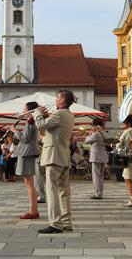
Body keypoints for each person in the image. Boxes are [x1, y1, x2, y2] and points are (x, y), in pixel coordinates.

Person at [32, 90, 75, 234]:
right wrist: (45, 116)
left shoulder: (59, 114)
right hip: (63, 156)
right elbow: (50, 130)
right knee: (64, 191)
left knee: (52, 191)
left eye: (57, 98)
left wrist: (37, 113)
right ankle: (66, 222)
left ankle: (55, 223)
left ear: (63, 100)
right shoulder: (68, 115)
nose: (56, 100)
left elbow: (42, 126)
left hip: (53, 157)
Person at [11, 101, 40, 219]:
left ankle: (33, 211)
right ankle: (33, 209)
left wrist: (14, 131)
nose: (23, 111)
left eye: (24, 109)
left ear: (29, 110)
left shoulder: (30, 122)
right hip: (27, 152)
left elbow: (25, 138)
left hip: (27, 152)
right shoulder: (31, 121)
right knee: (28, 182)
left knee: (29, 183)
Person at [116, 114, 132, 207]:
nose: (123, 125)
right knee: (127, 178)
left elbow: (120, 143)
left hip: (129, 157)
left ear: (128, 123)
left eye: (124, 123)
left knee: (128, 179)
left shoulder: (128, 131)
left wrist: (117, 143)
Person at [85, 118, 108, 199]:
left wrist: (90, 133)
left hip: (96, 157)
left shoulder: (95, 134)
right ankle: (100, 192)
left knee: (96, 176)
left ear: (94, 125)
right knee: (101, 176)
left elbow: (87, 141)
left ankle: (98, 194)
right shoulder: (105, 133)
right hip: (103, 156)